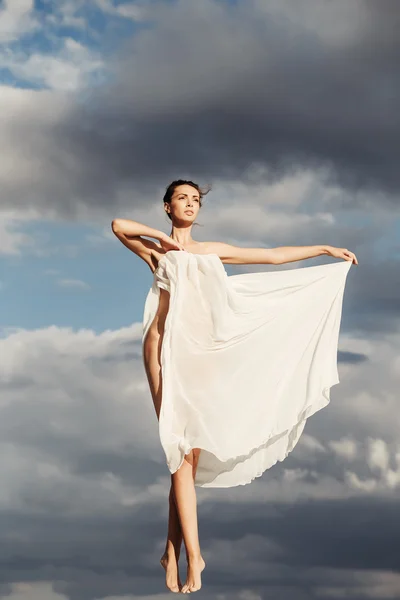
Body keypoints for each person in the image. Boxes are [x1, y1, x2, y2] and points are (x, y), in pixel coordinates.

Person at [111, 179, 358, 594]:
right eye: (182, 199)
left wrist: (323, 249)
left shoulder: (213, 250)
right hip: (162, 354)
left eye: (195, 199)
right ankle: (195, 554)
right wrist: (163, 239)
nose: (190, 204)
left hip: (202, 356)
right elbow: (119, 225)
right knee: (178, 452)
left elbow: (272, 256)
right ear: (167, 206)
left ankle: (173, 551)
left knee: (185, 454)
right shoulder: (156, 253)